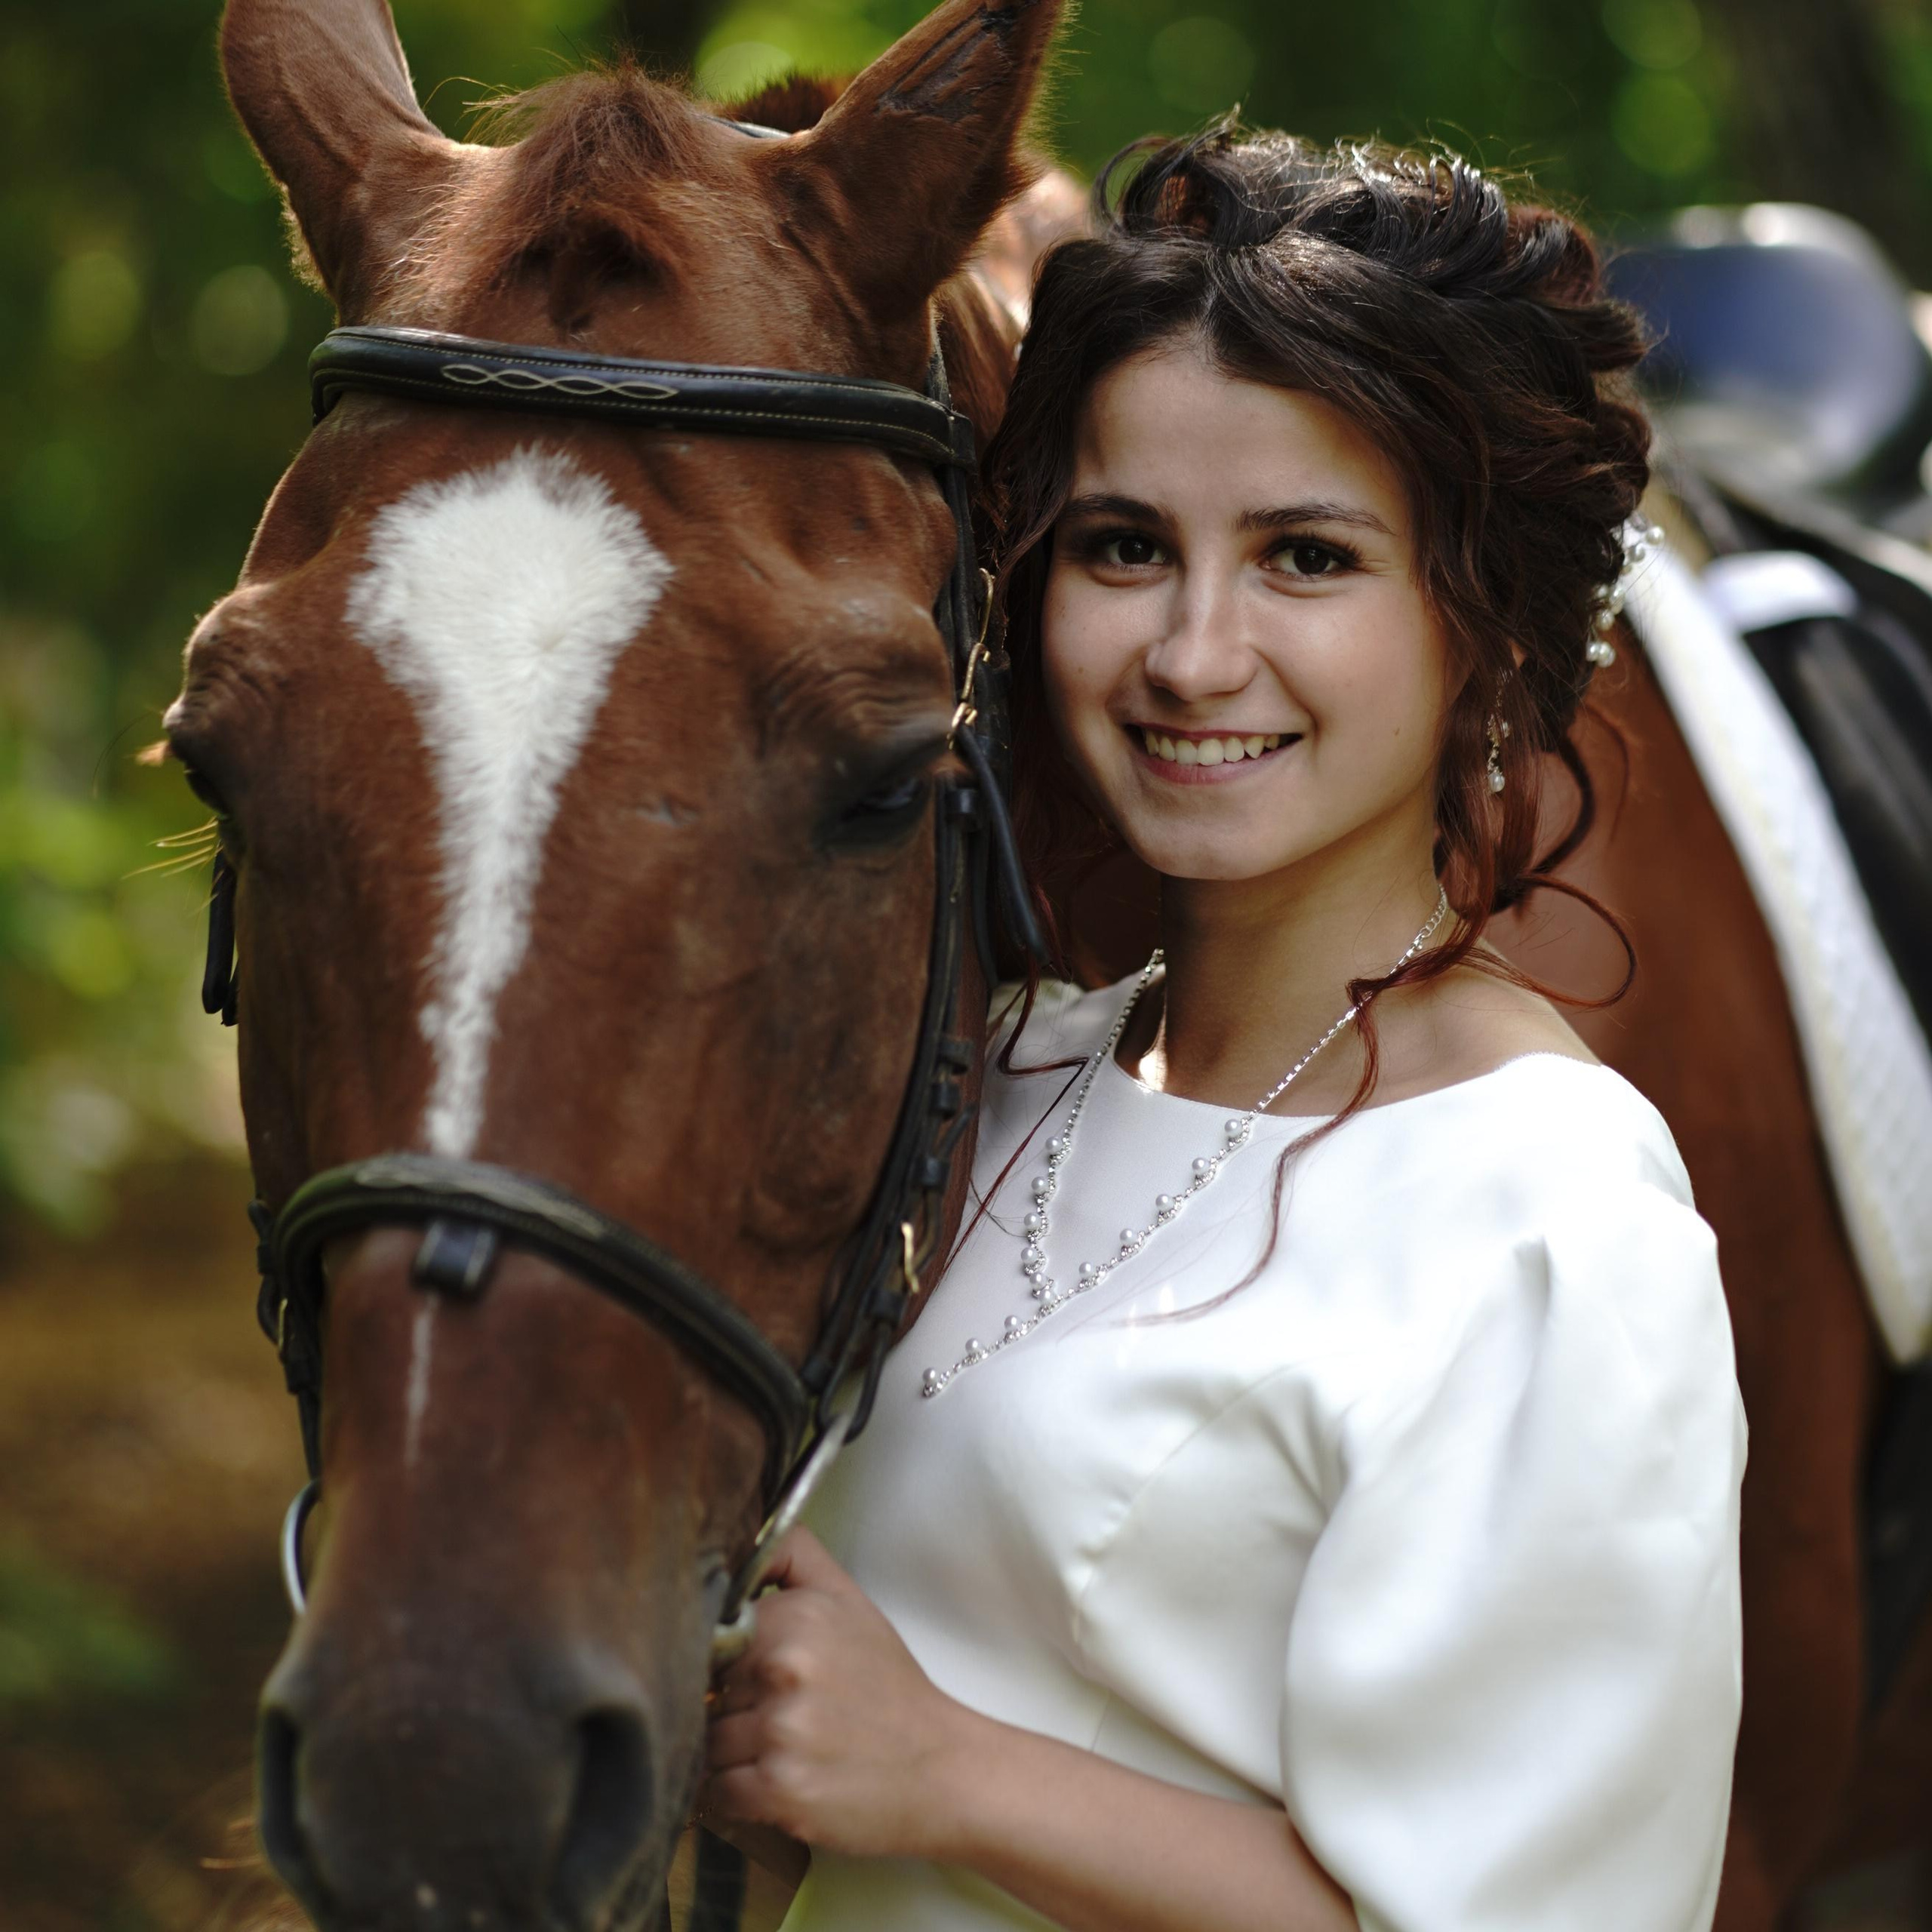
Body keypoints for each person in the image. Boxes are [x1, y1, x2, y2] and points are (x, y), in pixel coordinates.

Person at [700, 125, 1746, 1932]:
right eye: (1122, 545)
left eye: (1305, 557)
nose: (1190, 652)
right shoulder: (1009, 1069)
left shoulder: (1545, 1222)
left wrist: (939, 1769)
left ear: (1479, 621)